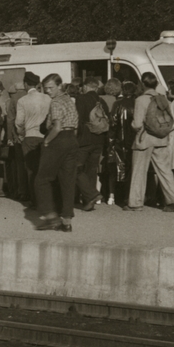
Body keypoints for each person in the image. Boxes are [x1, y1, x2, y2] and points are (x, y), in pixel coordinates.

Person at [126, 72, 174, 212]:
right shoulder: (163, 99)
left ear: (143, 84)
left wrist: (132, 125)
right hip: (161, 138)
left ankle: (136, 203)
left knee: (139, 171)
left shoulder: (140, 100)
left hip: (144, 139)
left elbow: (137, 124)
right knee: (165, 171)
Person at [33, 74, 80, 230]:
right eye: (45, 88)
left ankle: (50, 216)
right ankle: (67, 221)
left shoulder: (56, 102)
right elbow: (74, 126)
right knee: (67, 181)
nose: (47, 91)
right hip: (71, 140)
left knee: (42, 179)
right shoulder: (70, 100)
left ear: (60, 86)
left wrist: (46, 141)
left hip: (58, 139)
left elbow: (57, 126)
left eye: (51, 88)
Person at [14, 72, 51, 206]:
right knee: (44, 170)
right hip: (45, 137)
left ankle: (35, 201)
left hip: (29, 137)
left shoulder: (22, 101)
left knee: (31, 170)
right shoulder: (47, 98)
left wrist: (21, 133)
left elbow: (19, 122)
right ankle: (46, 199)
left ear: (25, 84)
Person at [73, 77, 108, 210]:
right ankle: (89, 202)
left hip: (84, 140)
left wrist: (77, 137)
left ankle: (91, 195)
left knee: (76, 168)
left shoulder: (81, 99)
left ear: (86, 87)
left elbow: (79, 120)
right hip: (99, 140)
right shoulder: (102, 101)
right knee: (91, 170)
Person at [98, 79, 122, 204]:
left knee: (99, 166)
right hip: (111, 137)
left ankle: (97, 194)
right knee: (111, 167)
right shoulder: (117, 102)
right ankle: (111, 196)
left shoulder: (98, 99)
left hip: (99, 135)